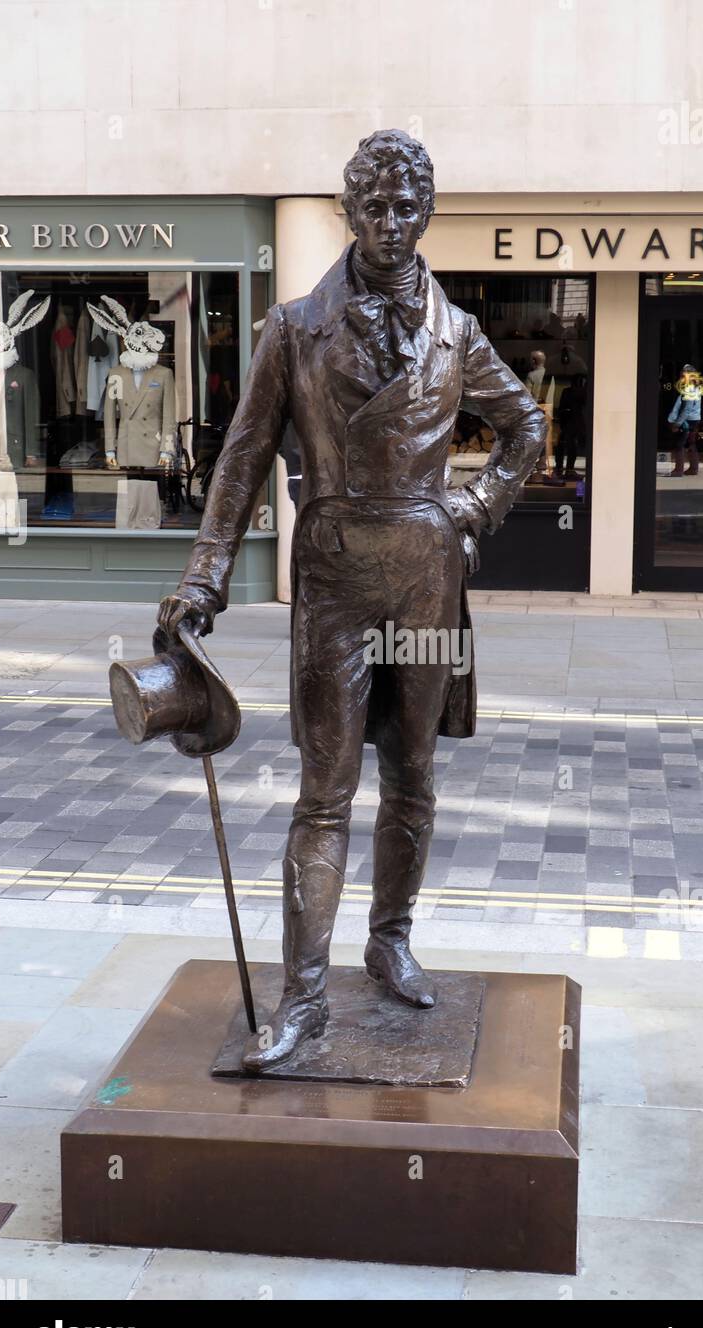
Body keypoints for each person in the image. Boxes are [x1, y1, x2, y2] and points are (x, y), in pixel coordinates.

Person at [156, 130, 546, 1072]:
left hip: (423, 583)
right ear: (348, 211)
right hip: (332, 584)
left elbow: (525, 425)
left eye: (405, 207)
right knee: (324, 791)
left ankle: (391, 938)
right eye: (371, 206)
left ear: (427, 214)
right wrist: (206, 574)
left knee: (411, 772)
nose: (388, 223)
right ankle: (303, 1001)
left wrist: (475, 506)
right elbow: (244, 458)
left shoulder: (457, 332)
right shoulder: (294, 327)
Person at [667, 363, 702, 476]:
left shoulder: (689, 389)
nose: (681, 377)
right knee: (691, 443)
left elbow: (686, 409)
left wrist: (677, 423)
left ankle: (678, 470)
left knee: (679, 444)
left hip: (687, 420)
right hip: (695, 419)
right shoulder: (697, 388)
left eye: (683, 375)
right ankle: (693, 468)